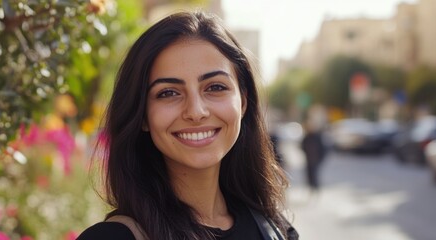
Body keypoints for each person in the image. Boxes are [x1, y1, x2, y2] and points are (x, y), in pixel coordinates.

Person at [77, 11, 298, 240]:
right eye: (168, 93)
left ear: (243, 101)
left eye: (215, 87)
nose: (196, 111)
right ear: (142, 115)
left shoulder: (274, 229)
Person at [300, 119, 326, 193]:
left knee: (315, 175)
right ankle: (310, 187)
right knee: (308, 175)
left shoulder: (317, 137)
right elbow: (302, 146)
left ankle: (315, 188)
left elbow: (323, 148)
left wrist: (320, 158)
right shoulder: (306, 137)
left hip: (316, 159)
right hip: (308, 159)